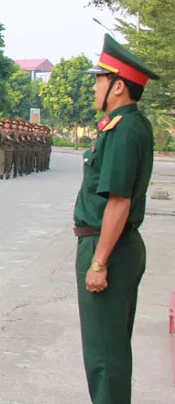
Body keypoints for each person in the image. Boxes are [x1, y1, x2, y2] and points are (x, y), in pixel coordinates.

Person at [75, 33, 157, 404]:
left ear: (119, 86)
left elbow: (119, 202)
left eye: (99, 80)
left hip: (110, 246)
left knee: (104, 355)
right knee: (106, 348)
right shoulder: (122, 125)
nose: (94, 87)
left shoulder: (124, 129)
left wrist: (98, 261)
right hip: (111, 243)